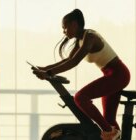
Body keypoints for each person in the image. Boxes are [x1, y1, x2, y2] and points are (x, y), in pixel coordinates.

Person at [32, 9, 130, 140]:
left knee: (80, 97)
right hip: (112, 75)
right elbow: (68, 60)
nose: (64, 31)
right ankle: (111, 132)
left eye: (65, 28)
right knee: (109, 120)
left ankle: (108, 131)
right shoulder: (81, 39)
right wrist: (44, 69)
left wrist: (48, 73)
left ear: (74, 24)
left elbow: (74, 62)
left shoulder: (90, 37)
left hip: (118, 75)